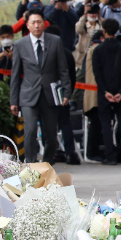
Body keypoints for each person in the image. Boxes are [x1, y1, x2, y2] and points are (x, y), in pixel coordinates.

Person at [9, 8, 72, 164]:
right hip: (28, 95)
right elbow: (15, 74)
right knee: (29, 131)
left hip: (50, 95)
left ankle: (47, 163)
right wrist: (13, 101)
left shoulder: (55, 41)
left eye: (39, 22)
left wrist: (66, 93)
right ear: (28, 26)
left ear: (44, 23)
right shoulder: (20, 44)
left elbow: (63, 69)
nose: (36, 26)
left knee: (50, 134)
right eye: (33, 23)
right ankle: (31, 165)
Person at [92, 19, 121, 166]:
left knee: (105, 123)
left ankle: (110, 155)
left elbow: (97, 74)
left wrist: (105, 91)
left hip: (104, 92)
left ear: (104, 30)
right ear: (117, 31)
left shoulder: (98, 50)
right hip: (120, 92)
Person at [43, 25, 81, 165]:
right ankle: (70, 152)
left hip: (47, 95)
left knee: (47, 125)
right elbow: (72, 76)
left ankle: (51, 154)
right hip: (62, 94)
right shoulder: (67, 54)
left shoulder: (45, 53)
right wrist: (68, 93)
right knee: (65, 124)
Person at [83, 30, 104, 162]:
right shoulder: (97, 49)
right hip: (96, 92)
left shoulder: (90, 49)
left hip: (90, 93)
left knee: (95, 123)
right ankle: (92, 152)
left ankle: (93, 151)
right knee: (96, 124)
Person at [73, 3, 103, 69]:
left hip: (96, 56)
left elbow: (105, 30)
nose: (93, 14)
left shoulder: (100, 25)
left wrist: (99, 16)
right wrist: (85, 14)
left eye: (95, 12)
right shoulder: (84, 25)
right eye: (90, 12)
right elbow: (78, 30)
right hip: (82, 58)